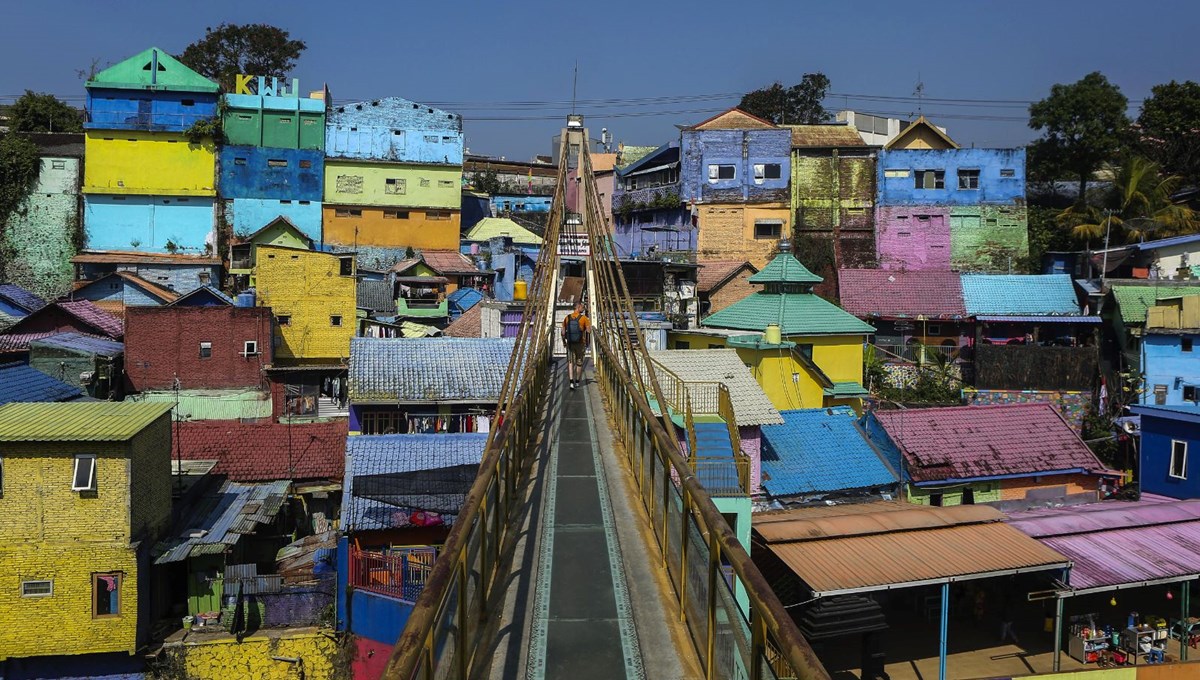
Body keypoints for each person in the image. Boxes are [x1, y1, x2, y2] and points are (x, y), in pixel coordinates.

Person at [562, 301, 591, 389]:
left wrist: (564, 342)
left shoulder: (567, 318)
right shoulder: (584, 318)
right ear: (578, 307)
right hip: (580, 343)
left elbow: (563, 332)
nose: (583, 309)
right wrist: (587, 328)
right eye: (582, 307)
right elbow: (589, 331)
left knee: (570, 362)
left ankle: (571, 382)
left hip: (570, 343)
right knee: (579, 362)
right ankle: (577, 381)